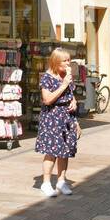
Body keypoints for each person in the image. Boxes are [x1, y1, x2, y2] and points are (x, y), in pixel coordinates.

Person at [35, 48, 78, 196]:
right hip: (52, 117)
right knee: (52, 151)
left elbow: (70, 94)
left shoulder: (66, 75)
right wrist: (64, 84)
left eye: (69, 60)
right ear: (55, 61)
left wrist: (74, 101)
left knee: (65, 151)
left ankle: (61, 181)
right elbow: (47, 100)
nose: (68, 63)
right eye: (64, 60)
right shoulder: (47, 78)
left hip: (67, 116)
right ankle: (46, 183)